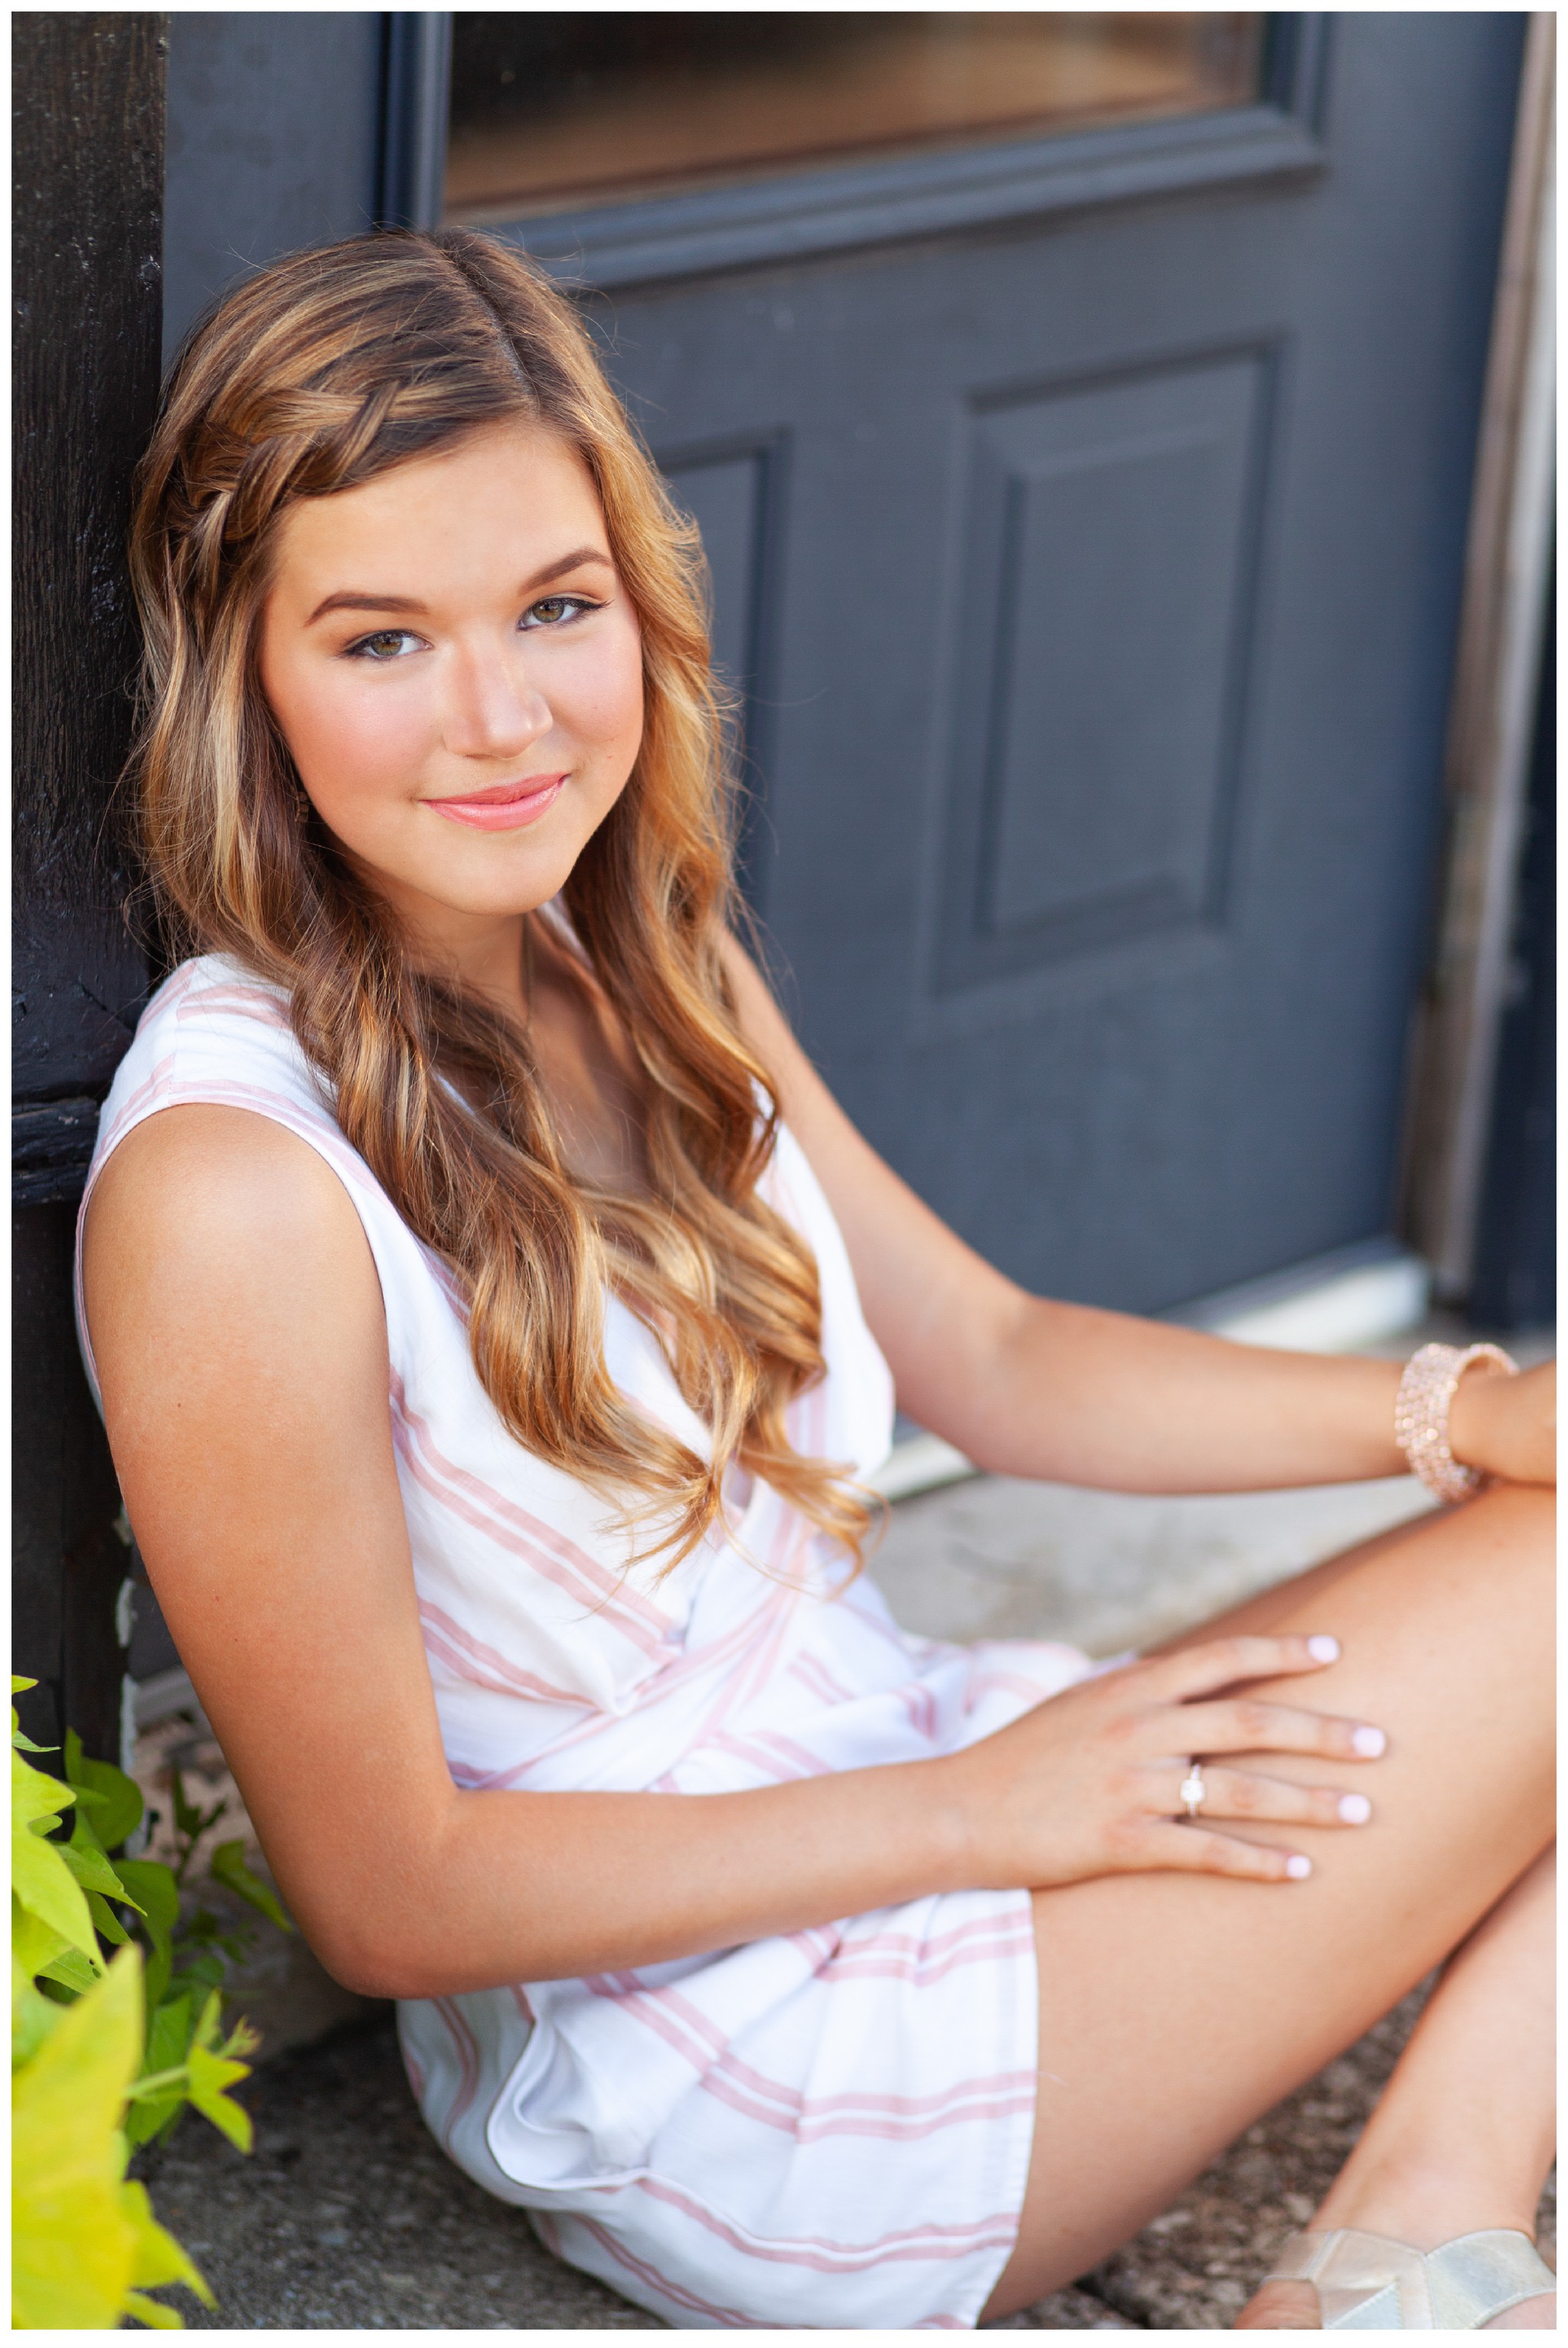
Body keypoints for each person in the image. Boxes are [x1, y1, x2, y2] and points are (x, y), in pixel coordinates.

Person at [78, 231, 1553, 2332]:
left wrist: (1459, 1411)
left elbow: (1004, 1354)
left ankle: (1417, 2219)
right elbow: (388, 1891)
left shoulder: (629, 955)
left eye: (554, 608)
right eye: (383, 638)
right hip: (754, 2077)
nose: (499, 718)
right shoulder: (233, 1181)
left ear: (636, 606)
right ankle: (1424, 2223)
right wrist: (978, 1810)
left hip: (919, 1794)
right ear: (242, 669)